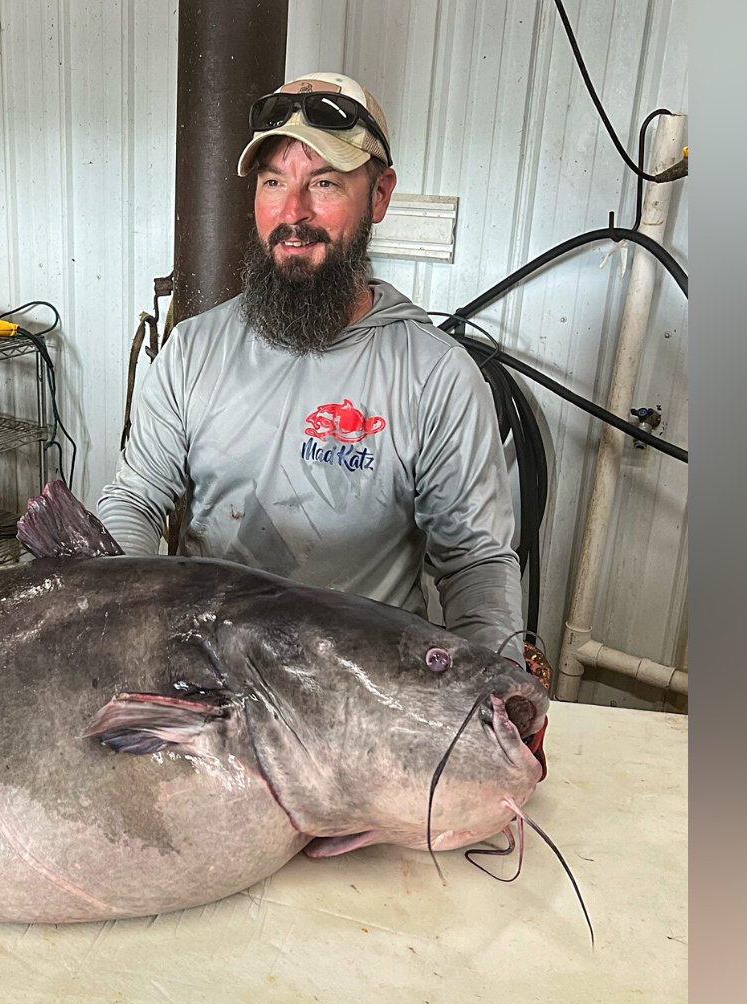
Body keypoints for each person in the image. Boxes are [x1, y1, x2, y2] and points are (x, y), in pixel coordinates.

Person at [98, 72, 552, 739]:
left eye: (326, 183)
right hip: (209, 695)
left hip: (362, 707)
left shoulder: (435, 376)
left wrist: (498, 694)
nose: (294, 213)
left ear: (380, 196)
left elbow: (474, 560)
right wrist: (115, 629)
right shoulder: (194, 350)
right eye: (274, 182)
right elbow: (134, 500)